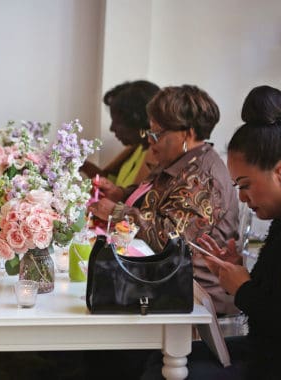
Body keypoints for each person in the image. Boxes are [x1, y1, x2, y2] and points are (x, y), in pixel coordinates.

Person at [144, 85, 281, 379]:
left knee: (167, 370)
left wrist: (244, 289)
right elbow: (279, 298)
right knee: (161, 359)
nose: (242, 197)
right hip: (267, 350)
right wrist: (236, 272)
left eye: (245, 185)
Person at [88, 84, 241, 316]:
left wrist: (116, 212)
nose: (150, 141)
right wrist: (120, 193)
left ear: (187, 133)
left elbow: (168, 238)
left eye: (157, 133)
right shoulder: (179, 162)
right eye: (149, 132)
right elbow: (153, 199)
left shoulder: (202, 177)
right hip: (161, 280)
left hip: (192, 297)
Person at [81, 80, 159, 187]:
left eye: (117, 122)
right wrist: (81, 164)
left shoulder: (158, 161)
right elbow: (112, 187)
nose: (112, 128)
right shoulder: (136, 150)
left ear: (139, 121)